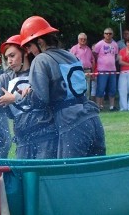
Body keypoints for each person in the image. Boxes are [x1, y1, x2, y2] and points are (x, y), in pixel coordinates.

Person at [20, 15, 105, 158]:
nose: (29, 51)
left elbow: (41, 100)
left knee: (69, 176)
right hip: (93, 118)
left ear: (40, 42)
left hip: (71, 123)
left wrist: (25, 95)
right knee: (96, 174)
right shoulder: (70, 55)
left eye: (29, 45)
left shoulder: (41, 59)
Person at [93, 27, 119, 111]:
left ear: (112, 34)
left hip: (112, 70)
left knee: (112, 89)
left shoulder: (115, 44)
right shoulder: (99, 44)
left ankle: (112, 106)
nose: (108, 35)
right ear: (104, 34)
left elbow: (115, 56)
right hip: (102, 70)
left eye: (110, 33)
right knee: (101, 88)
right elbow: (95, 54)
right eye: (106, 33)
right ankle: (98, 106)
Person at [69, 33, 95, 97]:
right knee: (78, 88)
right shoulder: (74, 48)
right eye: (81, 39)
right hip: (78, 71)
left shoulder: (89, 49)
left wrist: (93, 72)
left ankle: (86, 104)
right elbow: (69, 60)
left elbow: (92, 60)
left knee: (87, 88)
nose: (83, 40)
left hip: (88, 71)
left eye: (84, 39)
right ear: (78, 40)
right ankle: (79, 104)